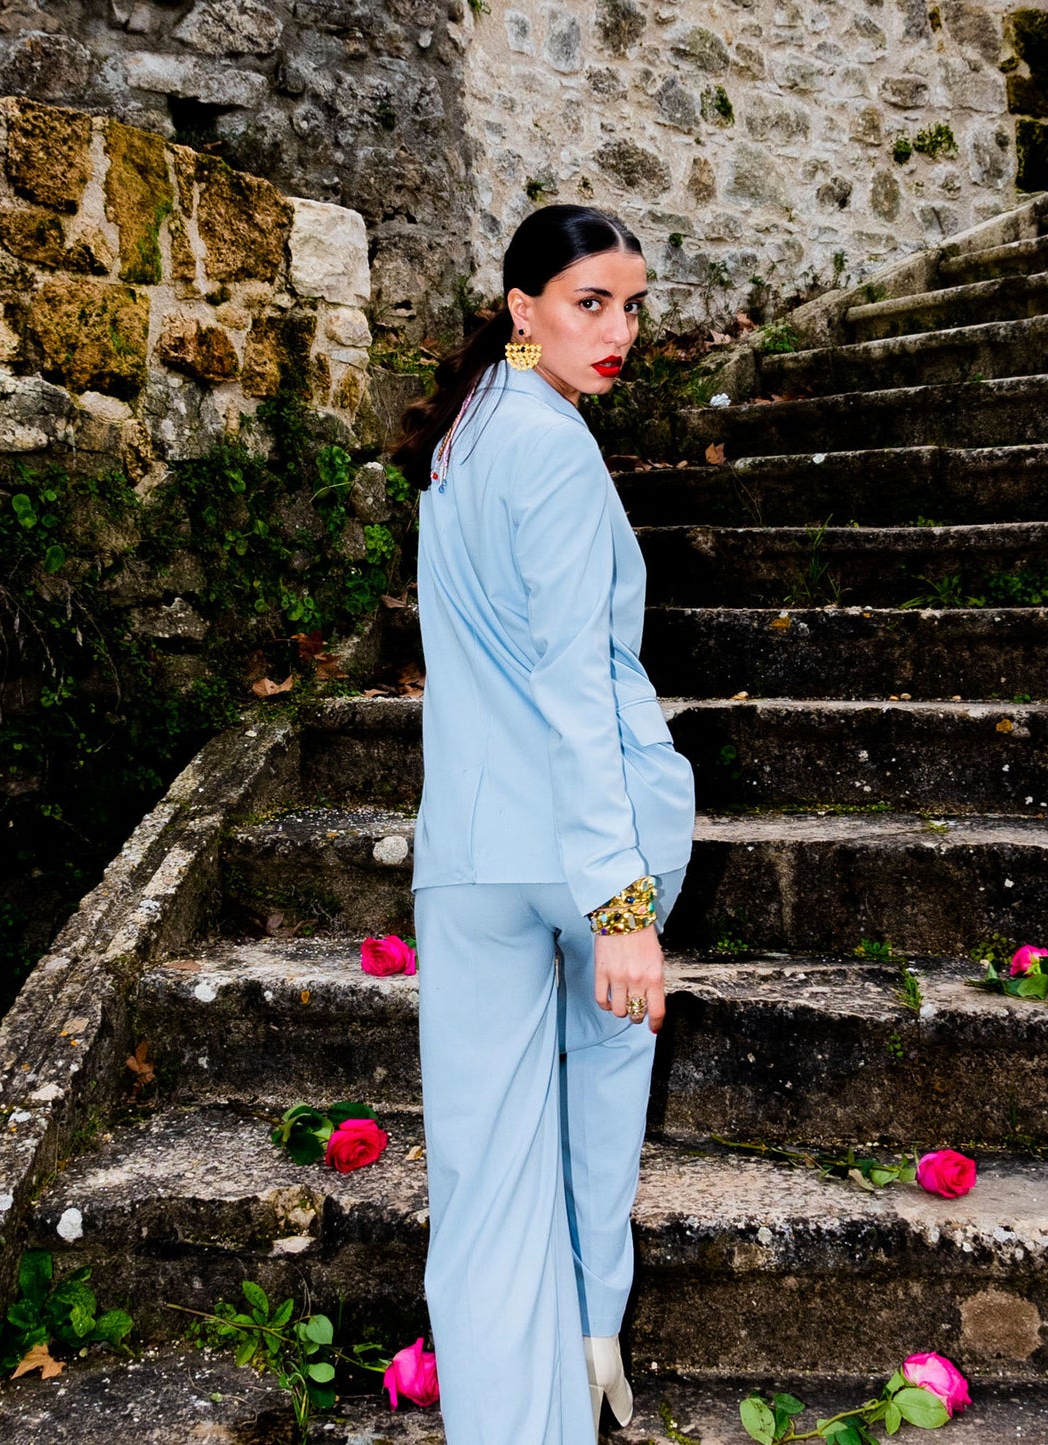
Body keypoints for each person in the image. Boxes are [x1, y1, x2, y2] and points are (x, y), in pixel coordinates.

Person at [391, 205, 696, 1444]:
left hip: (468, 856)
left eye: (631, 306)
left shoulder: (461, 434)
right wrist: (622, 908)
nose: (617, 330)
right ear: (521, 308)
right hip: (590, 855)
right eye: (590, 303)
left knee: (479, 1177)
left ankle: (525, 1420)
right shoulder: (553, 448)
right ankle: (577, 1382)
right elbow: (574, 680)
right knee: (584, 1149)